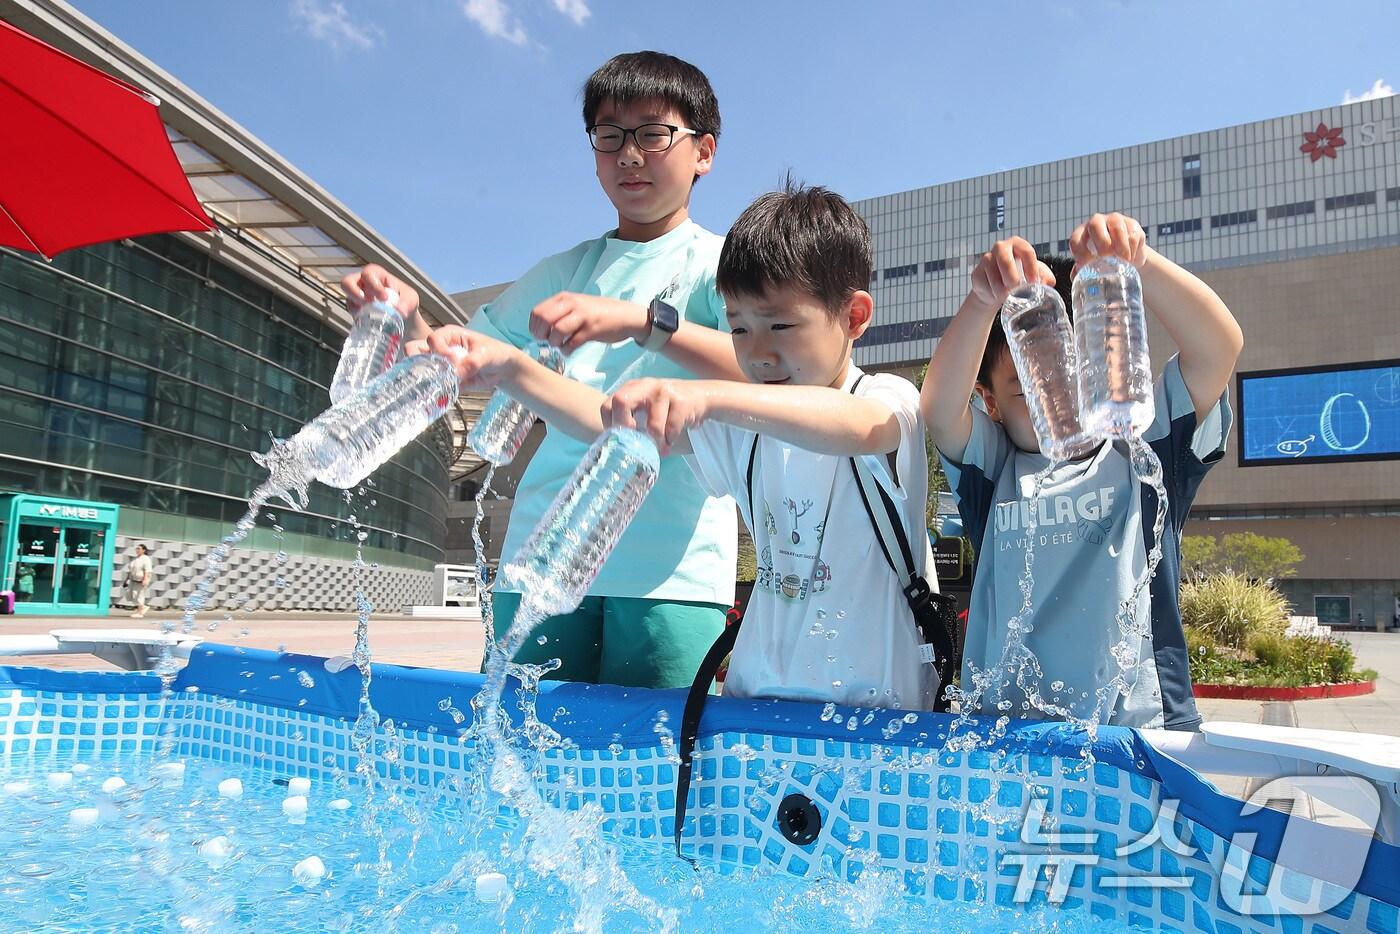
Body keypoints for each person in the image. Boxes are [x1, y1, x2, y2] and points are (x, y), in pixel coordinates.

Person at [422, 183, 943, 710]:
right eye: (738, 328)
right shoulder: (745, 430)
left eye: (781, 325)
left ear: (854, 317)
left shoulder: (884, 398)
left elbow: (860, 428)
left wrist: (711, 396)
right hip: (756, 703)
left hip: (880, 714)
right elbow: (601, 420)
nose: (758, 353)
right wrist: (511, 369)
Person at [342, 52, 742, 690]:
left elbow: (763, 373)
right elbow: (461, 360)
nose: (629, 155)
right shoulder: (560, 273)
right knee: (512, 755)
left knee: (665, 770)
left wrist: (646, 319)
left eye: (652, 134)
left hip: (673, 573)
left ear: (704, 151)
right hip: (542, 559)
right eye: (610, 137)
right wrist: (408, 321)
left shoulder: (724, 266)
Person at [921, 213, 1243, 730]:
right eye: (1031, 393)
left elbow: (1218, 349)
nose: (1061, 409)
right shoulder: (992, 468)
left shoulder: (1142, 453)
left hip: (1137, 728)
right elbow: (937, 409)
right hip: (1003, 726)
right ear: (991, 402)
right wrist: (984, 301)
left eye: (1077, 382)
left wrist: (1140, 263)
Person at [125, 543, 153, 618]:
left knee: (140, 595)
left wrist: (145, 579)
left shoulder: (146, 558)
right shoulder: (135, 559)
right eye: (136, 548)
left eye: (139, 549)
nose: (137, 550)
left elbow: (148, 570)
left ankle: (140, 612)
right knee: (133, 594)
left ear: (144, 550)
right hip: (133, 579)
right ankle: (142, 608)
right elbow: (130, 570)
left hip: (141, 579)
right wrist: (126, 580)